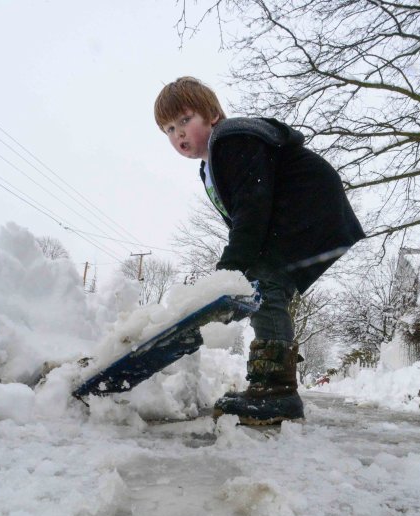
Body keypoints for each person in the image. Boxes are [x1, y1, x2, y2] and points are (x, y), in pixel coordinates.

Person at [154, 77, 365, 425]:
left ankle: (276, 392)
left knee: (265, 285)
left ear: (213, 115)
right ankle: (272, 385)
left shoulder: (231, 139)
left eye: (185, 120)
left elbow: (252, 208)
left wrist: (232, 266)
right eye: (169, 129)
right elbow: (244, 217)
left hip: (307, 208)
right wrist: (238, 270)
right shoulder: (211, 165)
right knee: (261, 283)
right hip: (300, 219)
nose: (178, 134)